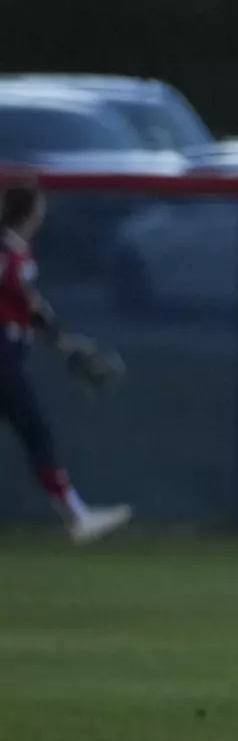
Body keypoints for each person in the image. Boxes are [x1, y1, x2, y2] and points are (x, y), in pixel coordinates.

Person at [0, 182, 131, 543]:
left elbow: (30, 305)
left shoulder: (16, 251)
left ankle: (75, 514)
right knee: (35, 431)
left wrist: (62, 343)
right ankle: (76, 516)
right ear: (30, 210)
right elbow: (27, 303)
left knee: (35, 432)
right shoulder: (6, 250)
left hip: (11, 353)